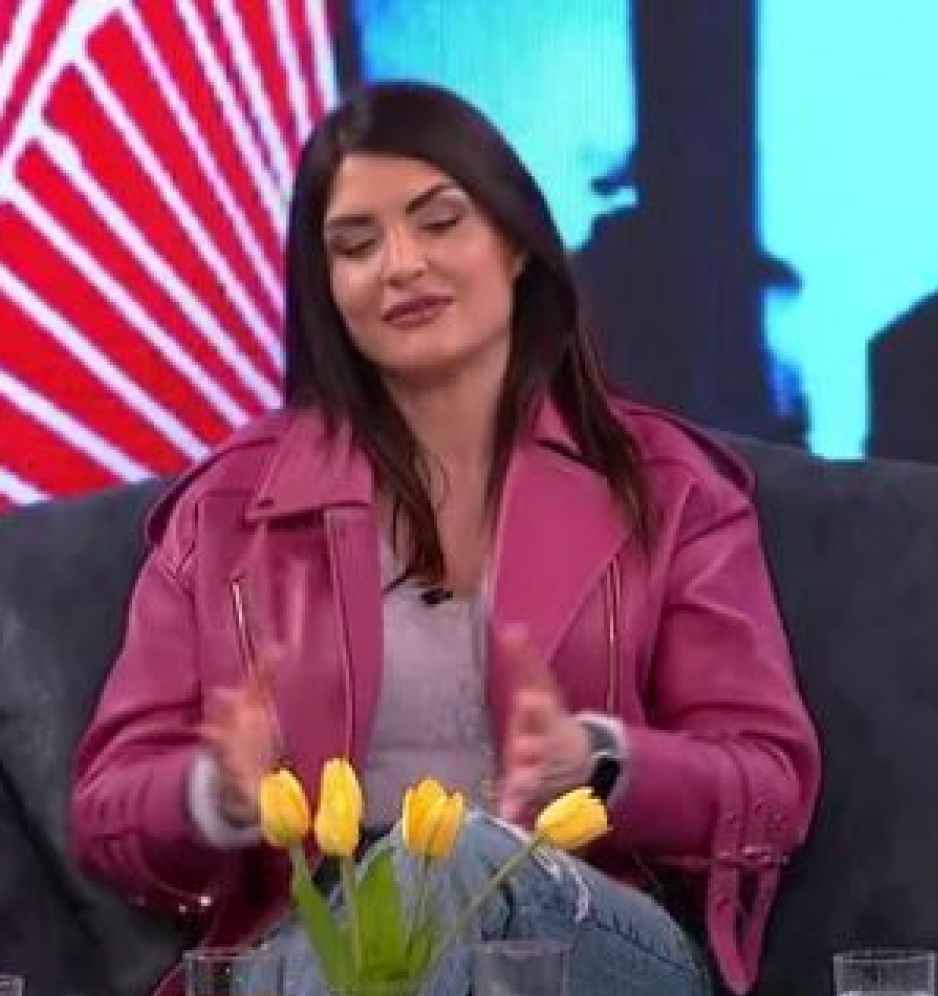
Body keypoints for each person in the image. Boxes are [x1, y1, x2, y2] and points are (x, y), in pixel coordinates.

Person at [69, 80, 819, 996]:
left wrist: (600, 762)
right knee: (382, 908)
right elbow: (107, 805)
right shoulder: (226, 509)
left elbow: (770, 786)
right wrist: (214, 793)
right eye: (356, 245)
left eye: (438, 222)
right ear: (326, 288)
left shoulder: (666, 487)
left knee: (453, 854)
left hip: (583, 924)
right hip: (318, 938)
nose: (401, 265)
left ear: (514, 242)